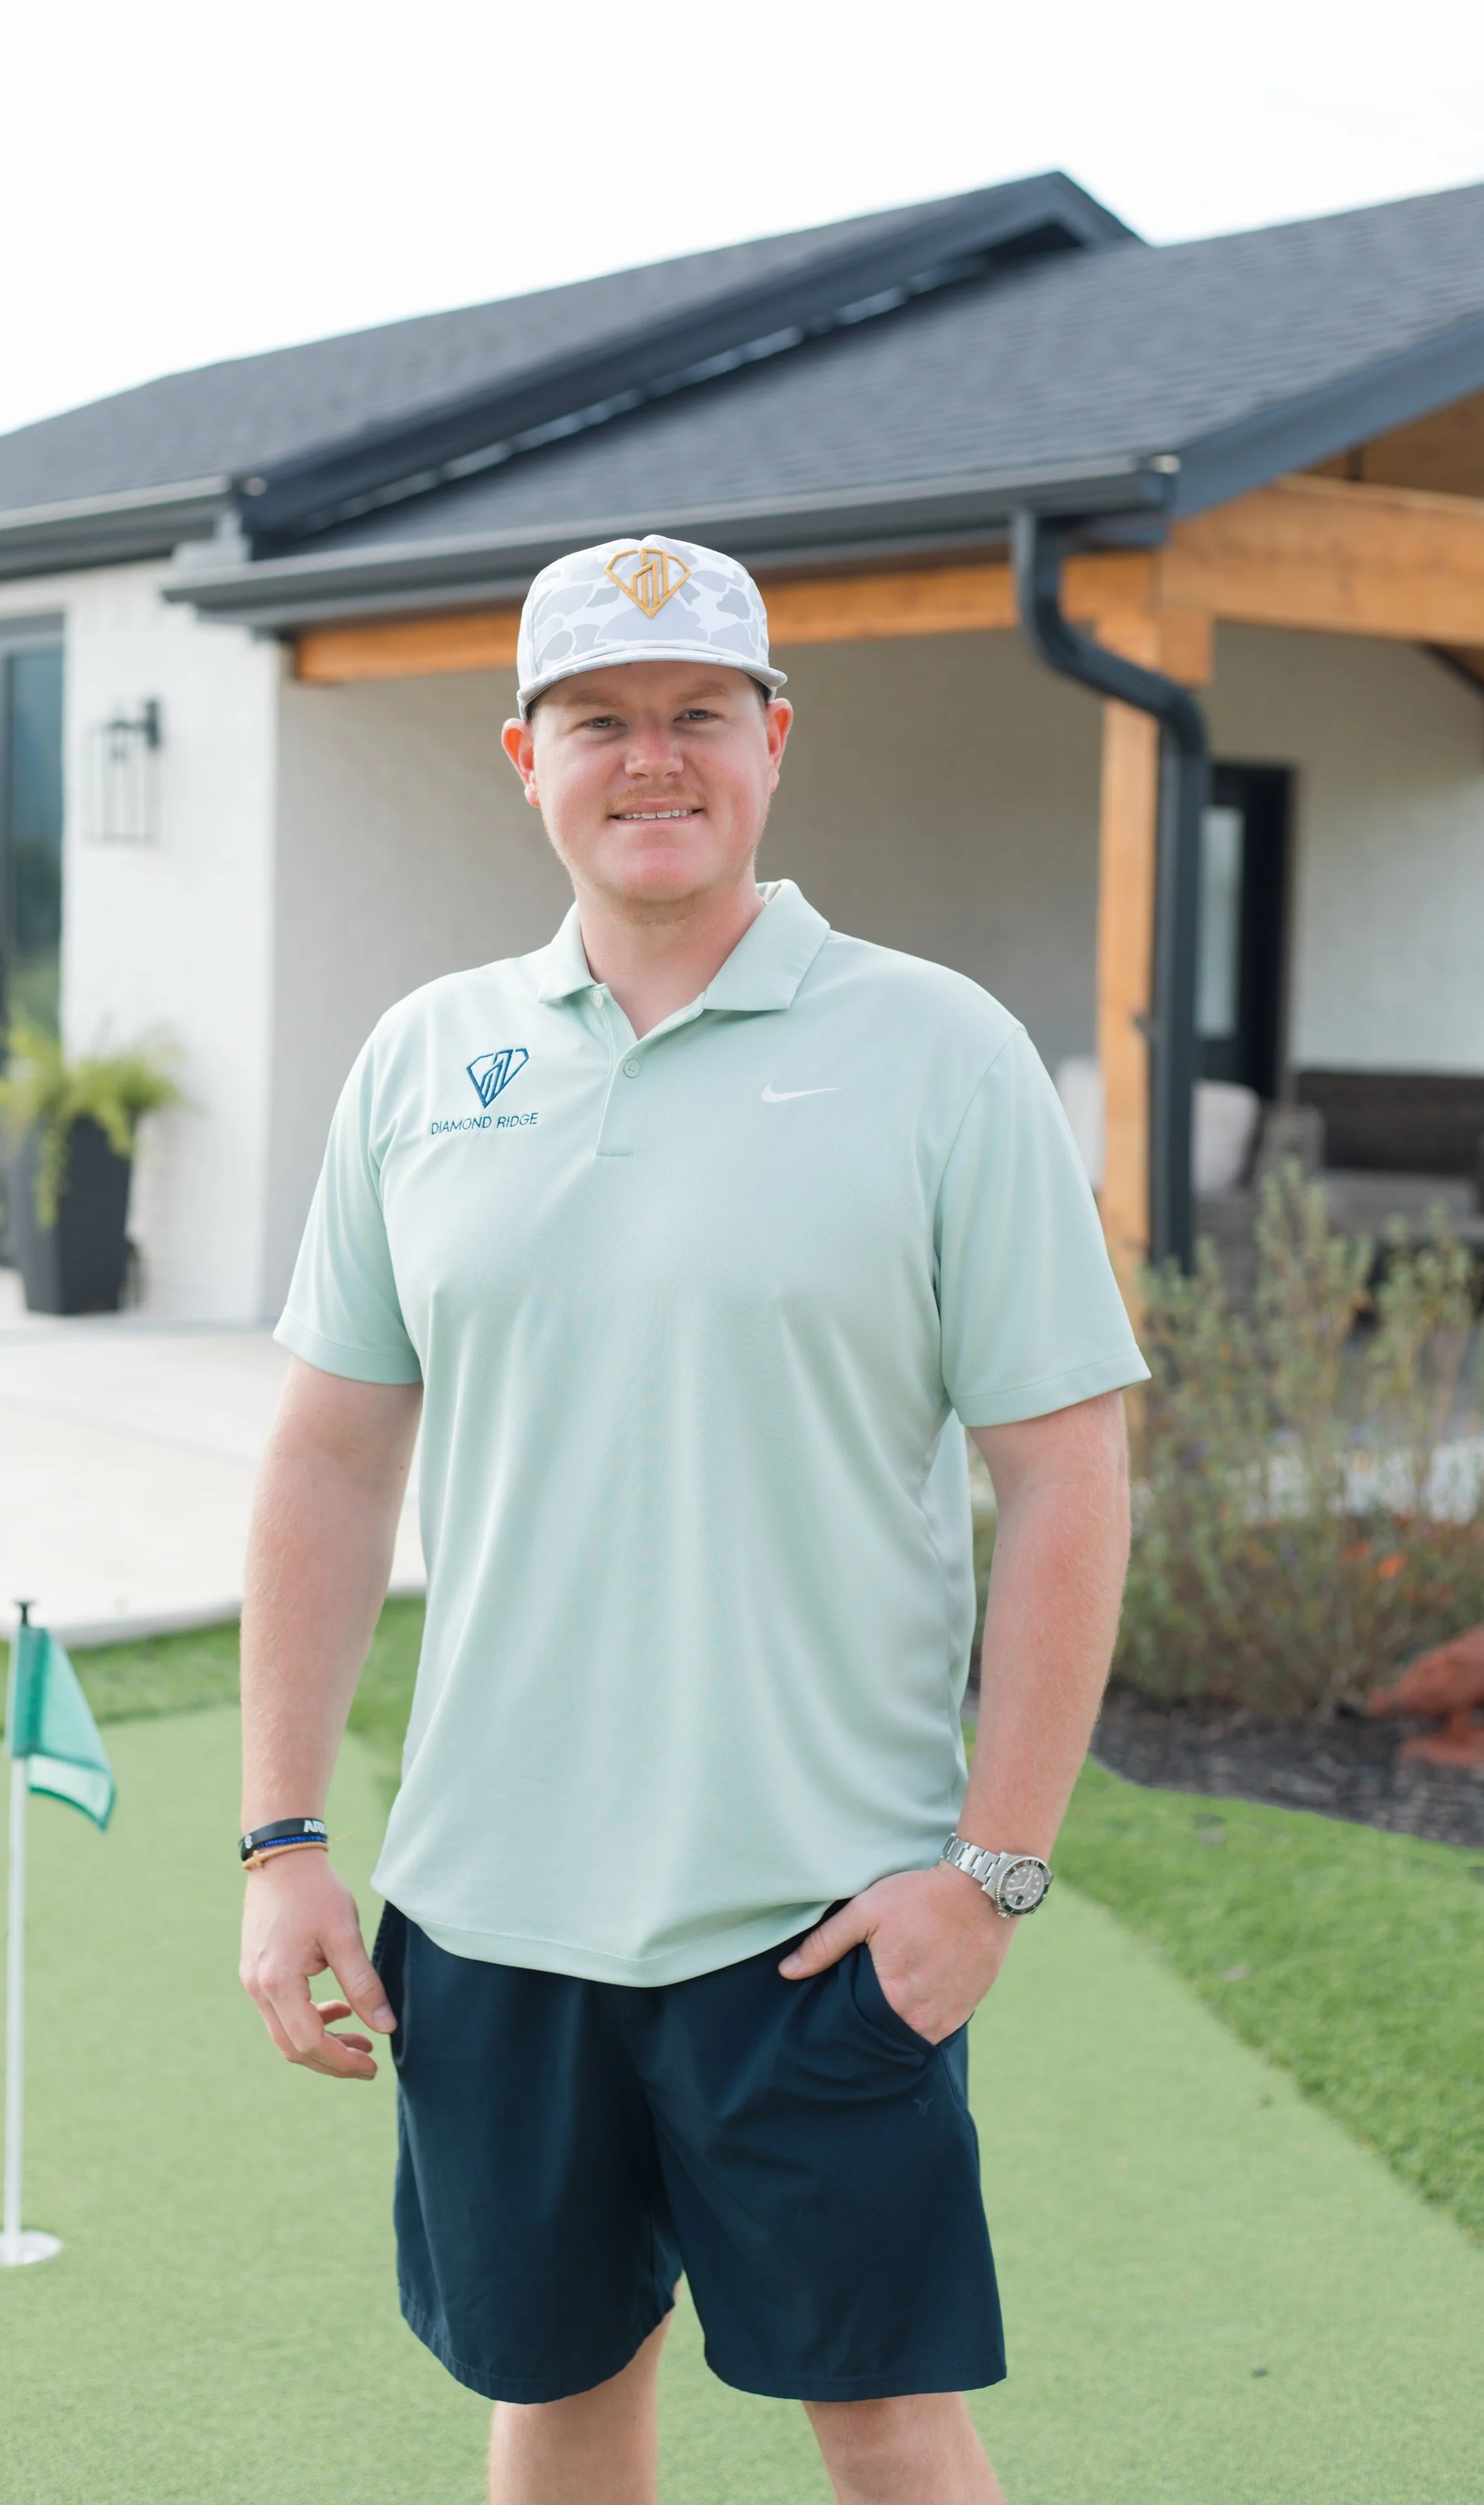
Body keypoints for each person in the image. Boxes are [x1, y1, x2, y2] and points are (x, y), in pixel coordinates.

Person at [239, 532, 1147, 2505]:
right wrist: (285, 1836)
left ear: (770, 743)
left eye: (694, 717)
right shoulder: (422, 1060)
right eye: (599, 722)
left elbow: (1066, 1470)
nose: (650, 761)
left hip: (820, 1916)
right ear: (523, 754)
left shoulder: (936, 1052)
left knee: (886, 2417)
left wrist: (987, 1874)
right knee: (555, 2401)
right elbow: (325, 1457)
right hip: (491, 1914)